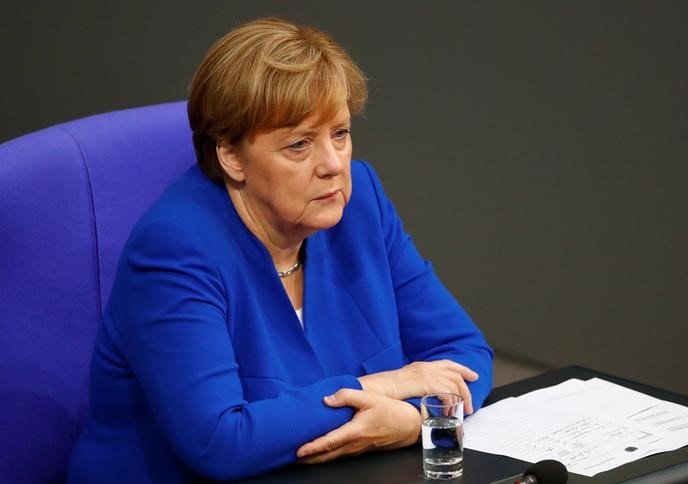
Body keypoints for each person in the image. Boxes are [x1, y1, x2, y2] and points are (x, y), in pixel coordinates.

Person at [68, 17, 493, 483]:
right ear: (230, 154)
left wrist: (414, 422)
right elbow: (220, 442)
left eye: (341, 134)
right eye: (299, 144)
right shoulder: (174, 251)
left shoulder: (359, 204)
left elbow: (464, 352)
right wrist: (384, 385)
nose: (333, 165)